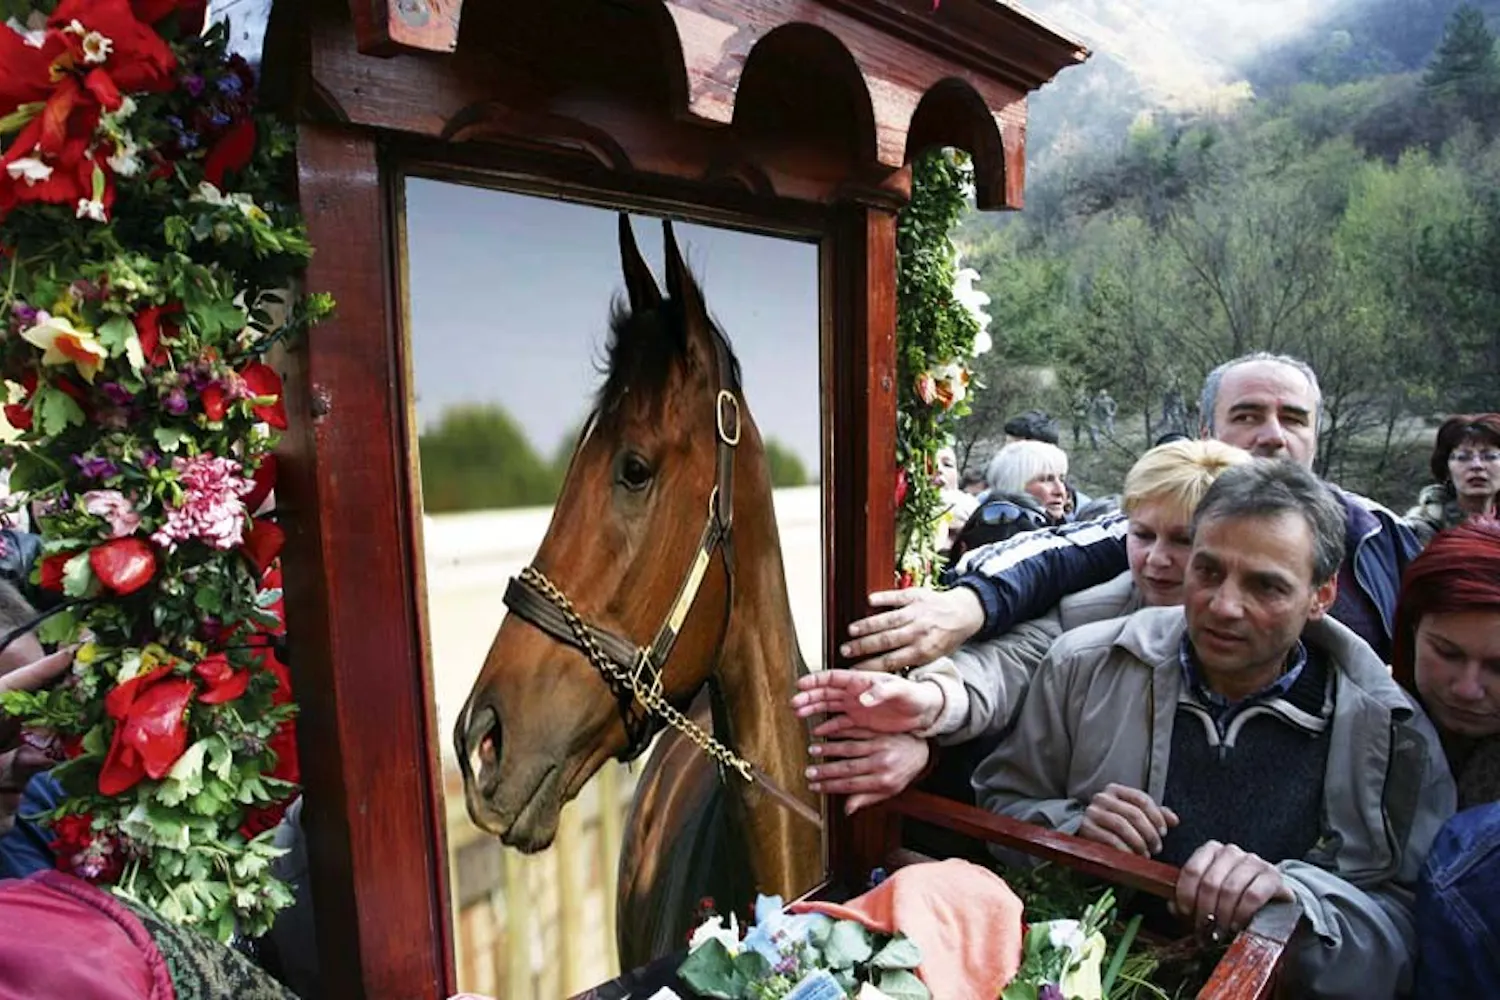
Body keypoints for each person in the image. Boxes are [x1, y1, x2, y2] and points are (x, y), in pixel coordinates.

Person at [976, 461, 1455, 998]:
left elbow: (1413, 929)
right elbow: (1001, 803)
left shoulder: (1391, 731)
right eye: (1207, 572)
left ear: (1321, 596)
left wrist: (1296, 905)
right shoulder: (1084, 666)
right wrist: (1074, 833)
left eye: (1266, 586)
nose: (1224, 606)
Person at [839, 352, 1422, 672]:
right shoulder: (1161, 531)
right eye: (1247, 415)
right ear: (1206, 432)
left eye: (1293, 418)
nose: (1272, 436)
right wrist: (968, 605)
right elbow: (1058, 551)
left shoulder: (1381, 536)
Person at [793, 441, 1253, 806]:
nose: (1155, 559)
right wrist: (934, 702)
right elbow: (1010, 664)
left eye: (1183, 541)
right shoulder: (1088, 610)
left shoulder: (1296, 646)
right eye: (1143, 534)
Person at [1390, 518, 1500, 809]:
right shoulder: (1346, 724)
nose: (1467, 689)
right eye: (1447, 653)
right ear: (1412, 632)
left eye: (1499, 669)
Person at [945, 440, 1068, 569]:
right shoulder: (987, 528)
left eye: (1062, 479)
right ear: (1014, 483)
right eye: (1046, 480)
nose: (1060, 491)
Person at [1405, 413, 1500, 545]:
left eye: (1489, 456)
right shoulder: (1418, 530)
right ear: (1446, 468)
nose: (1477, 466)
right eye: (1463, 457)